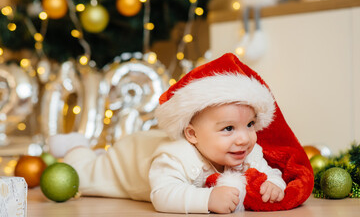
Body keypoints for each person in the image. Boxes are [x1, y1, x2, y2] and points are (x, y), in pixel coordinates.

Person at [49, 53, 313, 214]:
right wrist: (207, 199)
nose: (244, 138)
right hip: (127, 161)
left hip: (150, 146)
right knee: (87, 175)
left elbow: (269, 171)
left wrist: (274, 185)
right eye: (229, 128)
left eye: (250, 125)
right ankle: (77, 147)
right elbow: (162, 195)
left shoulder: (246, 149)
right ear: (192, 135)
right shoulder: (176, 156)